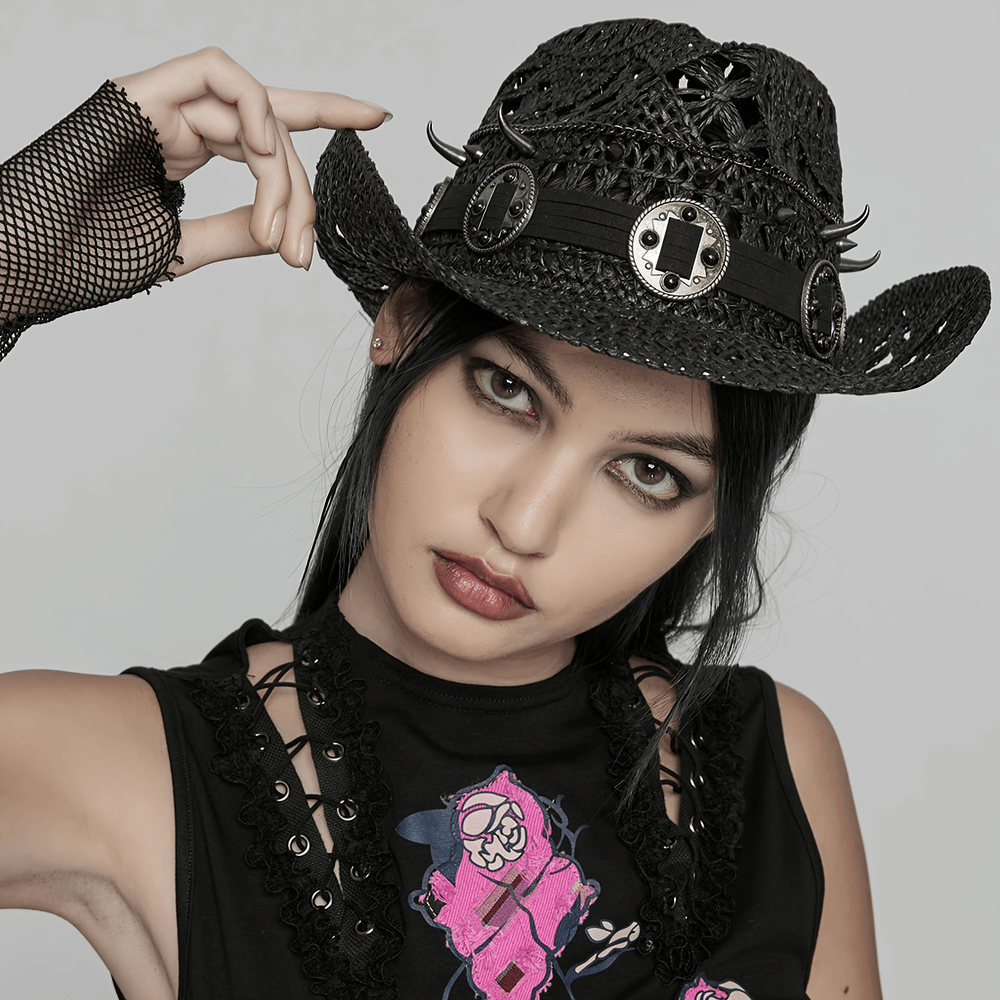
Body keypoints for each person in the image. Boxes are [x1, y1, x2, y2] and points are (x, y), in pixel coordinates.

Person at [0, 18, 991, 1000]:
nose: (525, 523)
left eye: (648, 471)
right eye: (508, 394)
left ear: (710, 516)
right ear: (401, 326)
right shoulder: (122, 766)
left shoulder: (773, 762)